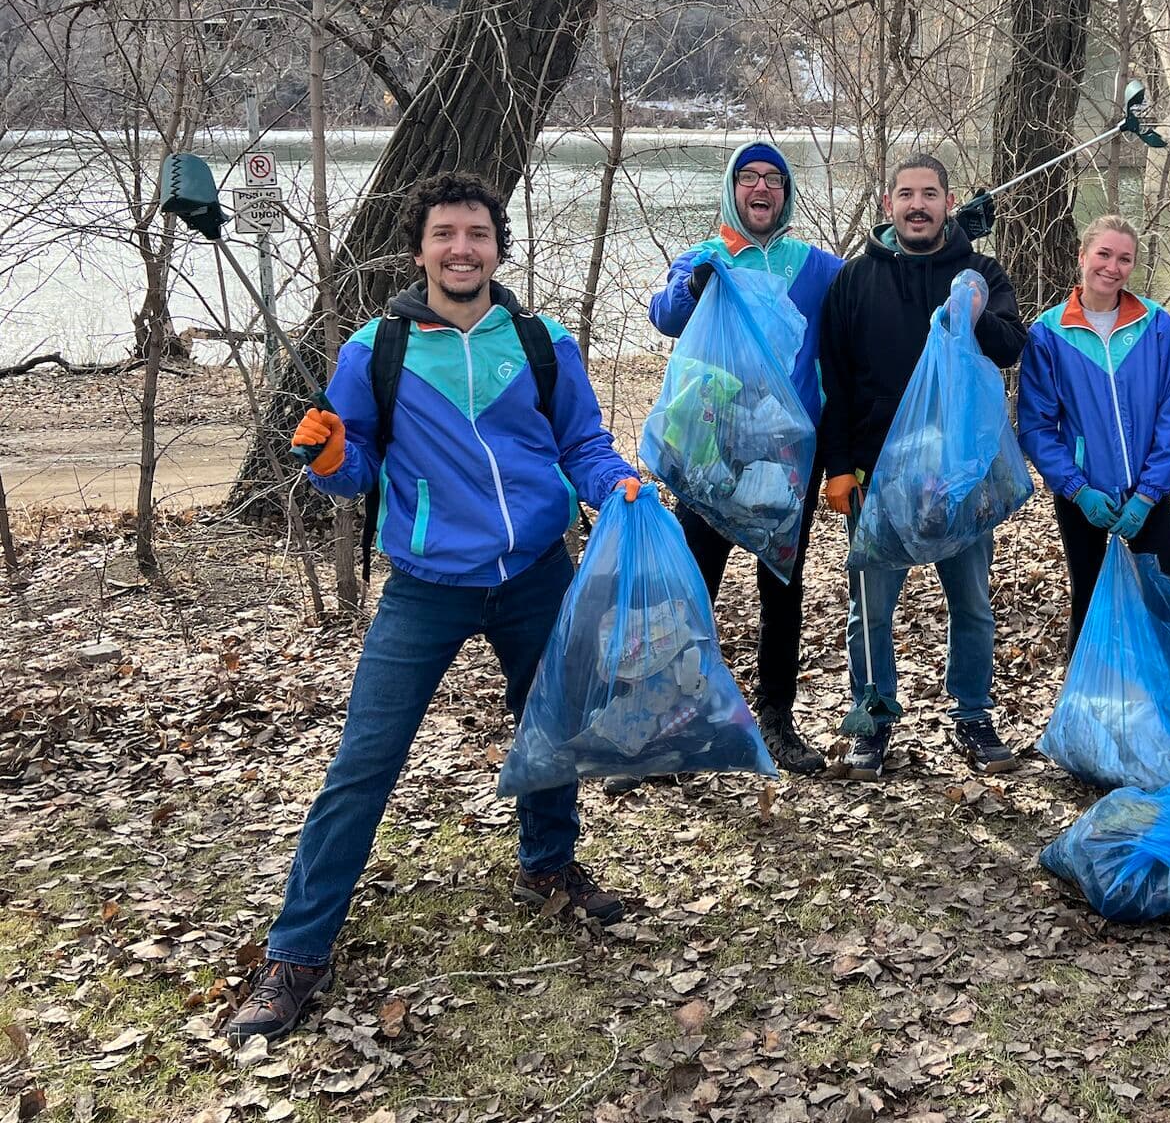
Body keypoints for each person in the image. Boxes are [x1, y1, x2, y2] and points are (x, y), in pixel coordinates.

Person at [228, 172, 641, 1043]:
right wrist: (328, 457)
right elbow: (355, 470)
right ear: (419, 251)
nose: (462, 249)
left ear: (497, 247)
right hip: (426, 587)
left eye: (477, 234)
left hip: (535, 573)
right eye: (445, 234)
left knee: (551, 725)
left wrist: (616, 484)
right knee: (365, 761)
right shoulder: (374, 349)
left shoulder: (541, 342)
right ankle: (297, 952)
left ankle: (548, 864)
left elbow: (582, 443)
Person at [818, 153, 1027, 780]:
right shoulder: (854, 281)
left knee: (972, 605)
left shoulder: (980, 272)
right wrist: (838, 466)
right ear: (888, 204)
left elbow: (1012, 346)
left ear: (947, 203)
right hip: (878, 479)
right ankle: (873, 716)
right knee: (871, 611)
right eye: (906, 194)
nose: (917, 205)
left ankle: (973, 714)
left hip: (962, 478)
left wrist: (974, 312)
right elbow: (836, 383)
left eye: (930, 194)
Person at [648, 142, 844, 774]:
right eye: (749, 177)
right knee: (692, 585)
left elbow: (870, 301)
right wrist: (694, 286)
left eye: (774, 179)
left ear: (786, 194)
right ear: (733, 189)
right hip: (711, 451)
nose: (762, 188)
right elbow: (664, 314)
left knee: (781, 588)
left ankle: (776, 718)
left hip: (788, 457)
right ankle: (674, 718)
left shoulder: (817, 268)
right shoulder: (706, 256)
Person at [1016, 214, 1170, 652]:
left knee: (1166, 600)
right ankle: (1089, 691)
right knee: (1091, 604)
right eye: (1104, 254)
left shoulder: (1156, 325)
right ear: (1082, 256)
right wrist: (1077, 489)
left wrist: (1148, 493)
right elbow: (1036, 426)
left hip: (1147, 495)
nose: (1113, 267)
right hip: (1083, 497)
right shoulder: (1049, 333)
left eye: (1124, 259)